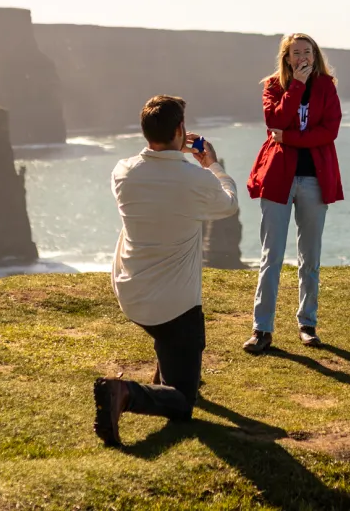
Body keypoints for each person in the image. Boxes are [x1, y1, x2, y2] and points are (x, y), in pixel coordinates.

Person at [93, 95, 239, 447]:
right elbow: (229, 203)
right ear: (181, 130)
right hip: (175, 307)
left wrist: (172, 150)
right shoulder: (194, 179)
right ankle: (123, 393)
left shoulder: (123, 171)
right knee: (184, 401)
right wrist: (211, 164)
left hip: (130, 292)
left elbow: (156, 174)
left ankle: (167, 368)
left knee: (171, 340)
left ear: (146, 132)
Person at [243, 33, 343, 353]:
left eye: (307, 52)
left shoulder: (326, 87)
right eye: (296, 52)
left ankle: (307, 324)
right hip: (278, 178)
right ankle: (262, 329)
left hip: (314, 179)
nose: (302, 57)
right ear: (286, 57)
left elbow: (329, 131)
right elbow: (275, 120)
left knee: (310, 256)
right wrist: (296, 86)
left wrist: (289, 138)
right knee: (271, 255)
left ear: (315, 55)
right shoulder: (274, 86)